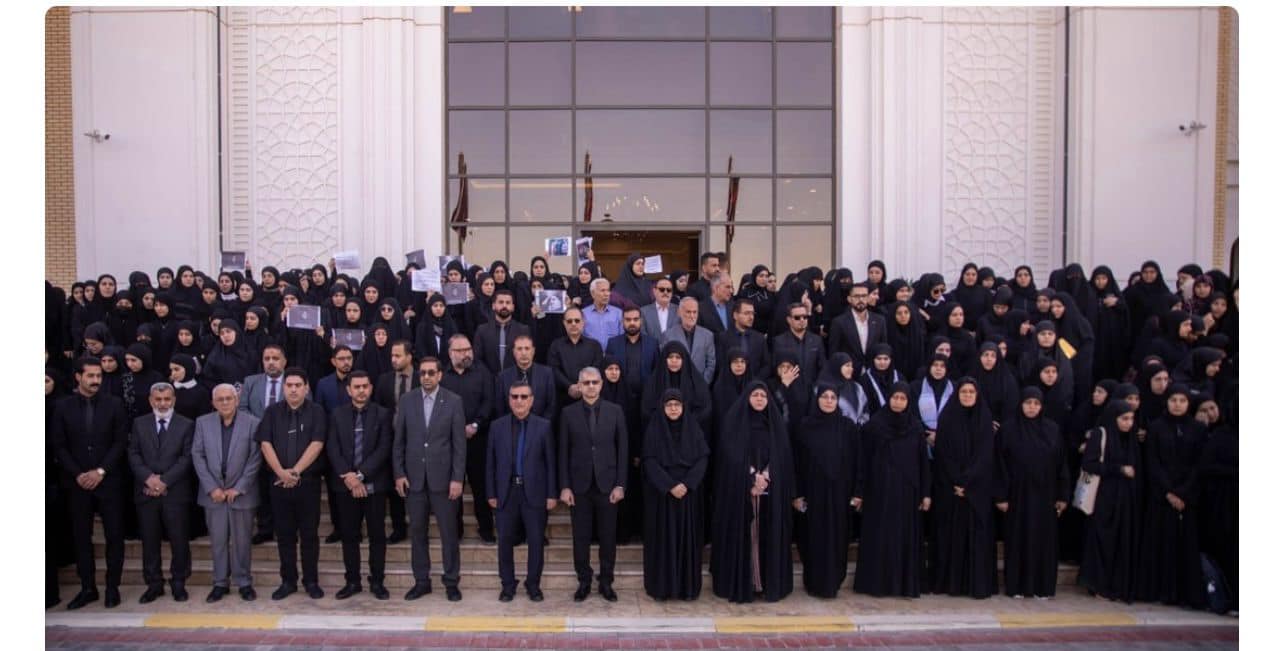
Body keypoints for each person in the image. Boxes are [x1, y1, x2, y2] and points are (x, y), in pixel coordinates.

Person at [50, 357, 130, 610]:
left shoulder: (114, 404)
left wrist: (100, 471)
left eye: (99, 376)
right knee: (81, 537)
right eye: (91, 376)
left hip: (108, 481)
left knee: (114, 536)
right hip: (77, 484)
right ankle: (88, 588)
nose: (96, 380)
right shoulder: (62, 407)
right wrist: (79, 474)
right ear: (78, 377)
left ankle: (112, 588)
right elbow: (59, 445)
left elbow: (120, 442)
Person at [711, 380, 796, 603]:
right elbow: (730, 455)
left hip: (770, 490)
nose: (759, 399)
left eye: (763, 396)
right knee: (745, 535)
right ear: (747, 397)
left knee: (767, 535)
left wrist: (766, 475)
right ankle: (745, 582)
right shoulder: (734, 424)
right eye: (755, 395)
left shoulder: (775, 425)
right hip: (741, 490)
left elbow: (782, 455)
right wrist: (751, 476)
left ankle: (765, 583)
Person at [393, 356, 467, 602]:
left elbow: (459, 445)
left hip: (444, 481)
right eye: (422, 373)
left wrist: (457, 479)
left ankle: (451, 581)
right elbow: (399, 441)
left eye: (431, 373)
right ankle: (421, 581)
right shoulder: (407, 400)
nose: (426, 377)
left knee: (449, 534)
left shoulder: (454, 401)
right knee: (417, 533)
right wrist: (399, 473)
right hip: (414, 480)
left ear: (439, 375)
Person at [254, 367, 328, 600]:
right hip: (279, 484)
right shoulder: (272, 412)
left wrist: (294, 472)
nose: (293, 389)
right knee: (284, 536)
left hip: (307, 483)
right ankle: (288, 581)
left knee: (309, 535)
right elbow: (265, 443)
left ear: (306, 388)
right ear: (283, 388)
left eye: (298, 385)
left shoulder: (317, 411)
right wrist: (281, 473)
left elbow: (317, 444)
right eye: (289, 385)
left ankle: (311, 581)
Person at [558, 366, 630, 602]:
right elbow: (563, 452)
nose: (590, 386)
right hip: (579, 487)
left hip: (607, 485)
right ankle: (584, 581)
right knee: (581, 537)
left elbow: (623, 450)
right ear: (579, 386)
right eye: (586, 383)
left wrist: (620, 484)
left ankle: (606, 581)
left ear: (601, 384)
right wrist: (565, 486)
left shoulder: (615, 411)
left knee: (608, 538)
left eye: (594, 382)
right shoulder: (568, 413)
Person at [853, 382, 930, 598]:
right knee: (880, 537)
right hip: (879, 492)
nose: (898, 402)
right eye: (895, 397)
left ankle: (903, 585)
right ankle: (877, 584)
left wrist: (925, 493)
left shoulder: (915, 427)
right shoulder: (874, 426)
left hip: (907, 492)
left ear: (908, 401)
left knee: (903, 538)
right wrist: (860, 491)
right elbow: (863, 461)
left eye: (902, 398)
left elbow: (923, 463)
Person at [1136, 384, 1208, 609]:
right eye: (1173, 400)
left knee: (1185, 545)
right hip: (1162, 498)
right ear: (1166, 402)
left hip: (1187, 498)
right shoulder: (1156, 427)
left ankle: (1184, 593)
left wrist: (1183, 492)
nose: (1177, 405)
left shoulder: (1198, 429)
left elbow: (1199, 464)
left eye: (1182, 401)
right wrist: (1169, 492)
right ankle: (1160, 590)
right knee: (1161, 543)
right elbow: (1153, 463)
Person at [996, 388, 1072, 599]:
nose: (1032, 407)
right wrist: (1001, 496)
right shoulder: (1008, 429)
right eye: (1028, 403)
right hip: (1017, 496)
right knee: (1018, 539)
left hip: (1045, 496)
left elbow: (1061, 464)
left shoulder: (1052, 429)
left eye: (1036, 403)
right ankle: (1017, 586)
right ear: (1020, 404)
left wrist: (1062, 496)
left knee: (1043, 541)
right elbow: (999, 464)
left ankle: (1041, 587)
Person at [486, 381, 558, 602]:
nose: (519, 401)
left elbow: (551, 463)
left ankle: (533, 585)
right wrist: (491, 493)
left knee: (536, 542)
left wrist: (552, 494)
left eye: (524, 397)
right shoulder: (497, 426)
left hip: (535, 494)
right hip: (506, 493)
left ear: (532, 400)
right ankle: (508, 585)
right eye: (514, 396)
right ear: (509, 399)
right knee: (504, 542)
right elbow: (490, 463)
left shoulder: (544, 426)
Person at [325, 370, 393, 600]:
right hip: (345, 486)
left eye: (365, 386)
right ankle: (352, 581)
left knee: (377, 536)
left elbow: (384, 448)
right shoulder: (337, 415)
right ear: (349, 390)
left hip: (374, 485)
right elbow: (333, 448)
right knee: (349, 536)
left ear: (371, 388)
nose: (361, 391)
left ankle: (377, 581)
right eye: (357, 387)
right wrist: (350, 478)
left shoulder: (383, 414)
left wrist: (361, 475)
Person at [191, 384, 262, 602]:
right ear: (213, 403)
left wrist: (239, 487)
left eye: (228, 398)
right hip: (213, 494)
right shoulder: (202, 423)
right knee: (218, 541)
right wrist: (211, 487)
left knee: (242, 541)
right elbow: (197, 455)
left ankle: (244, 582)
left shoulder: (253, 423)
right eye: (220, 399)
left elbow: (255, 458)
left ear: (236, 400)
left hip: (242, 493)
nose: (224, 402)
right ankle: (220, 583)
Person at [127, 382, 195, 603]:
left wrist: (164, 481)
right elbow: (133, 454)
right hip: (146, 492)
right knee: (149, 541)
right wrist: (148, 478)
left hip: (175, 493)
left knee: (179, 540)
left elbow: (187, 458)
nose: (162, 403)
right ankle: (154, 584)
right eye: (158, 399)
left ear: (173, 400)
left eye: (167, 399)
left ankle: (179, 582)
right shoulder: (139, 423)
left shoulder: (187, 424)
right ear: (150, 400)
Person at [929, 377, 997, 598]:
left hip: (977, 489)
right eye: (963, 392)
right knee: (950, 536)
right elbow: (943, 453)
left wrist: (967, 481)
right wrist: (956, 481)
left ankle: (975, 584)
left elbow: (985, 455)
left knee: (976, 536)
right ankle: (950, 583)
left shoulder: (984, 419)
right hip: (950, 489)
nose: (967, 395)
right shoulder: (947, 417)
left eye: (971, 392)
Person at [641, 389, 710, 601]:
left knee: (687, 542)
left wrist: (687, 484)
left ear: (683, 407)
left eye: (677, 405)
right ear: (662, 408)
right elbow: (649, 460)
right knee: (663, 542)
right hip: (662, 496)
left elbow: (702, 458)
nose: (673, 409)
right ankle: (662, 588)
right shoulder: (654, 430)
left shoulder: (693, 429)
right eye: (669, 405)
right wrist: (670, 485)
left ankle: (687, 588)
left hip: (688, 496)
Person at [794, 384, 859, 598]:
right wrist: (797, 493)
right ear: (817, 400)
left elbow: (858, 461)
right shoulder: (805, 426)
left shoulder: (848, 427)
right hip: (813, 493)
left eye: (833, 397)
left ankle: (834, 582)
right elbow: (797, 461)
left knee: (838, 537)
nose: (829, 401)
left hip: (840, 493)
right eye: (824, 396)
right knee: (813, 536)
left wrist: (858, 492)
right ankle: (814, 582)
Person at [1077, 399, 1141, 602]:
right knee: (1102, 540)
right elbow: (1089, 464)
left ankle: (1117, 585)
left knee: (1121, 541)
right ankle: (1098, 585)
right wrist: (1118, 469)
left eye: (1131, 419)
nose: (1128, 423)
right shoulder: (1101, 434)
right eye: (1124, 419)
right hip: (1104, 497)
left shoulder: (1131, 438)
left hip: (1125, 499)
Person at [439, 334, 497, 543]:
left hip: (477, 439)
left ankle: (486, 529)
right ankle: (456, 531)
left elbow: (489, 401)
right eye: (460, 350)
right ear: (450, 353)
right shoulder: (442, 376)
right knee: (453, 488)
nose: (466, 354)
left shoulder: (483, 373)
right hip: (449, 442)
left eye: (468, 349)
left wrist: (475, 425)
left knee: (480, 487)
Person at [239, 344, 288, 544]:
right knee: (262, 488)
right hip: (257, 443)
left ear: (284, 361)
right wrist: (264, 427)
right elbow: (242, 408)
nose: (271, 362)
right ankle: (265, 529)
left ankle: (285, 529)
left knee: (284, 489)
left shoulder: (293, 382)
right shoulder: (251, 382)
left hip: (286, 443)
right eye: (267, 358)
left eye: (275, 358)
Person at [549, 307, 606, 407]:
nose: (573, 324)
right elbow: (554, 369)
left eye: (577, 320)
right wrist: (569, 386)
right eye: (569, 321)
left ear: (583, 322)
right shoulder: (556, 345)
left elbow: (597, 368)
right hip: (563, 398)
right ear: (564, 323)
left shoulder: (595, 345)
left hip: (590, 398)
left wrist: (582, 386)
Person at [827, 282, 887, 376]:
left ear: (868, 298)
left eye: (864, 296)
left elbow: (883, 348)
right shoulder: (839, 322)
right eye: (856, 296)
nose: (861, 299)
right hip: (849, 374)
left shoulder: (880, 321)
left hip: (873, 373)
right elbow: (834, 352)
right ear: (849, 299)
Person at [494, 334, 558, 422]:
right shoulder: (503, 377)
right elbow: (500, 409)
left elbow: (551, 406)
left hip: (540, 426)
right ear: (514, 352)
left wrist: (540, 426)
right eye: (519, 349)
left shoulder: (547, 374)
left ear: (533, 351)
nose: (523, 353)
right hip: (511, 427)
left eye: (527, 348)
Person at [605, 306, 659, 398]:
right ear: (622, 321)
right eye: (628, 320)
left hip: (646, 396)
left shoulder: (652, 344)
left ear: (641, 321)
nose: (632, 323)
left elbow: (657, 371)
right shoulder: (613, 343)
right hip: (619, 396)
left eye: (635, 319)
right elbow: (608, 371)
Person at [472, 289, 530, 374]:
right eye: (501, 302)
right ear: (493, 306)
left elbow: (527, 357)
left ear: (513, 307)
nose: (504, 306)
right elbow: (477, 359)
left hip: (515, 379)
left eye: (508, 303)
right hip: (489, 379)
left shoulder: (523, 330)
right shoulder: (482, 330)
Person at [661, 297, 717, 384]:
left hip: (700, 385)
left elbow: (711, 363)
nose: (692, 316)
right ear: (679, 313)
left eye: (695, 312)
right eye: (688, 312)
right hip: (676, 384)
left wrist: (702, 384)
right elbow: (664, 362)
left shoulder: (707, 335)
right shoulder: (668, 335)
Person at [771, 302, 827, 388]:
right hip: (790, 390)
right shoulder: (779, 341)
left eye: (805, 317)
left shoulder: (817, 340)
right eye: (797, 317)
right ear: (789, 320)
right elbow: (775, 369)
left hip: (812, 390)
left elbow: (822, 368)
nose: (802, 320)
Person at [715, 298, 771, 381]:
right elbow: (720, 364)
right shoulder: (723, 338)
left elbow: (766, 365)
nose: (751, 317)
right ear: (735, 315)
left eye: (752, 313)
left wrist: (755, 382)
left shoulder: (759, 338)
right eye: (747, 313)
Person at [582, 278, 624, 350]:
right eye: (602, 290)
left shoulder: (618, 313)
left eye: (608, 290)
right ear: (593, 293)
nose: (607, 294)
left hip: (613, 354)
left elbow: (622, 337)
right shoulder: (583, 314)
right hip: (590, 354)